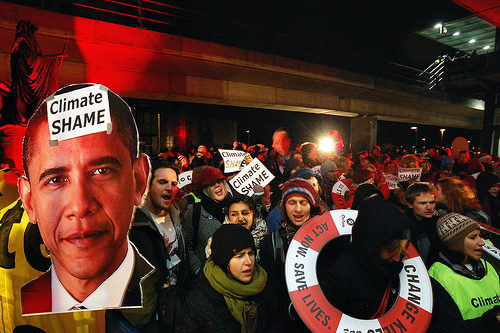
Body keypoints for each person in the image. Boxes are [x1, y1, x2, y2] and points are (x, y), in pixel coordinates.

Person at [18, 84, 154, 316]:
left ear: (139, 181)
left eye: (101, 171)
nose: (80, 206)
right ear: (29, 202)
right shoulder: (13, 308)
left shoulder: (176, 300)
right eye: (56, 179)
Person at [322, 191, 413, 319]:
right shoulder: (340, 277)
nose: (397, 259)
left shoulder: (396, 268)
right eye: (390, 250)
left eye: (401, 251)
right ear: (371, 243)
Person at [177, 224, 282, 332]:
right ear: (224, 262)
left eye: (251, 253)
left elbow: (275, 321)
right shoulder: (199, 302)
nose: (249, 262)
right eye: (240, 256)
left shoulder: (263, 284)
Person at [129, 159, 190, 330]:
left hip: (174, 306)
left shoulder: (178, 216)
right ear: (148, 186)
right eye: (162, 182)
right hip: (147, 315)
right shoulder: (132, 224)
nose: (169, 188)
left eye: (173, 183)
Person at [259, 177, 321, 331]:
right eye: (292, 202)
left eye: (304, 202)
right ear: (283, 206)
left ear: (311, 206)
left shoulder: (328, 242)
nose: (298, 209)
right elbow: (273, 293)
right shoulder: (270, 244)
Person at [428, 212, 500, 332]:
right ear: (456, 243)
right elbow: (446, 328)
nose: (482, 243)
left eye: (480, 236)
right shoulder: (438, 276)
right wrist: (491, 320)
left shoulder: (488, 265)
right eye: (473, 237)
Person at [183, 166, 231, 277]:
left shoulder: (234, 207)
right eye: (211, 184)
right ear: (205, 190)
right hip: (205, 277)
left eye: (219, 181)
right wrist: (198, 270)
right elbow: (187, 246)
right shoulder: (195, 211)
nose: (217, 185)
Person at [404, 182, 441, 267]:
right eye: (423, 203)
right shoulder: (404, 227)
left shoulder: (438, 223)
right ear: (410, 204)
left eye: (432, 202)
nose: (429, 207)